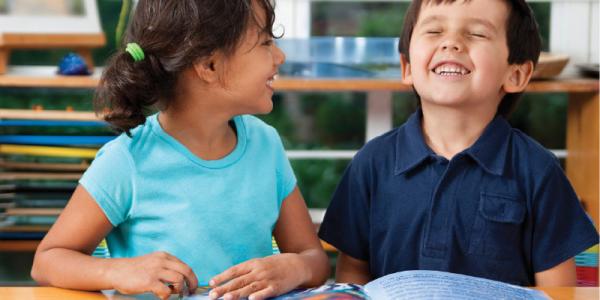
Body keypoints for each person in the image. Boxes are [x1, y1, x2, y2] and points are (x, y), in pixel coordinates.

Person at [30, 1, 329, 299]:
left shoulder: (267, 145)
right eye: (265, 43)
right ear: (209, 66)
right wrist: (119, 271)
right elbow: (47, 261)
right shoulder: (127, 159)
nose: (280, 56)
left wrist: (295, 267)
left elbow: (314, 260)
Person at [318, 0, 599, 287]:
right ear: (407, 67)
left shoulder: (538, 170)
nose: (451, 43)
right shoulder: (371, 162)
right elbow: (352, 274)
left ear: (515, 74)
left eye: (476, 34)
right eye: (434, 31)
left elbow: (558, 291)